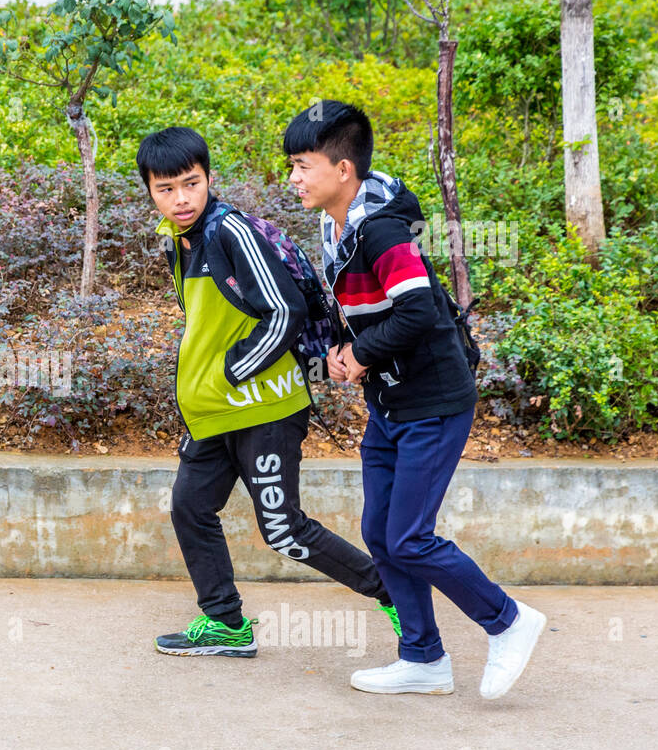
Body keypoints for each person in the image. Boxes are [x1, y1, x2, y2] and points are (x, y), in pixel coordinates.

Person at [282, 99, 545, 698]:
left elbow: (419, 309)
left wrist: (362, 354)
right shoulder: (337, 224)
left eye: (302, 166)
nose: (293, 179)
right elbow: (360, 306)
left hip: (434, 400)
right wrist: (341, 348)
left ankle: (508, 621)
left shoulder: (381, 229)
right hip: (391, 404)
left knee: (408, 537)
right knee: (380, 530)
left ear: (342, 170)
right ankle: (424, 658)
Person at [137, 126, 401, 659]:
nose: (180, 199)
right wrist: (207, 388)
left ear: (210, 178)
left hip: (265, 409)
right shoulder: (180, 242)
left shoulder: (231, 232)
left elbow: (285, 311)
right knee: (191, 508)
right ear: (150, 192)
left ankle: (395, 593)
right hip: (214, 414)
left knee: (285, 531)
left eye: (190, 184)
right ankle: (226, 624)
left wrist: (235, 372)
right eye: (166, 189)